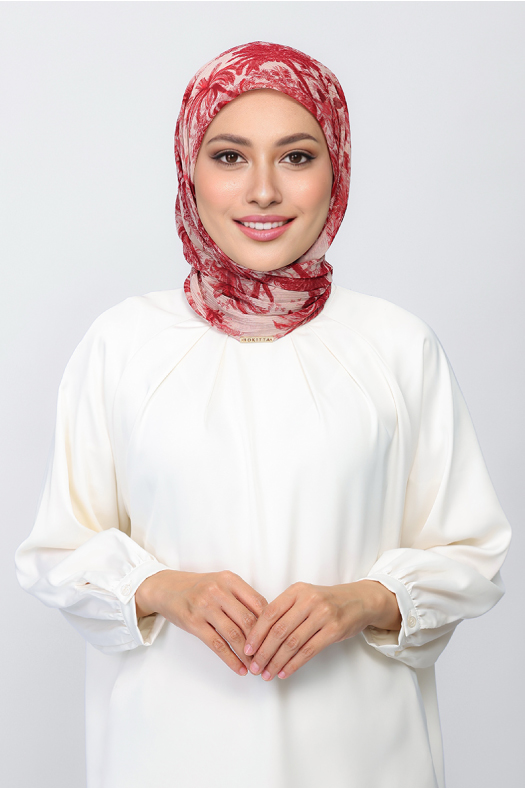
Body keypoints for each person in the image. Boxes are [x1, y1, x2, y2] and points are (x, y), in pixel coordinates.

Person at [14, 41, 511, 788]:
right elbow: (58, 550)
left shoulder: (395, 345)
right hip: (170, 752)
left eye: (296, 157)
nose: (263, 191)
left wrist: (365, 599)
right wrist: (161, 587)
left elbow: (471, 551)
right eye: (229, 157)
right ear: (190, 170)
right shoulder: (123, 344)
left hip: (361, 755)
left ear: (336, 171)